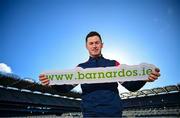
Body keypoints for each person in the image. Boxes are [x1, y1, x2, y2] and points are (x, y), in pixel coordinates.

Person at [39, 31, 160, 117]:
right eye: (91, 43)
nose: (94, 46)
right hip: (90, 113)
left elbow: (131, 86)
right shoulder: (80, 68)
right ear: (86, 46)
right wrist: (52, 83)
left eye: (97, 42)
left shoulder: (114, 64)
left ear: (102, 44)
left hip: (113, 112)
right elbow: (65, 88)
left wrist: (145, 79)